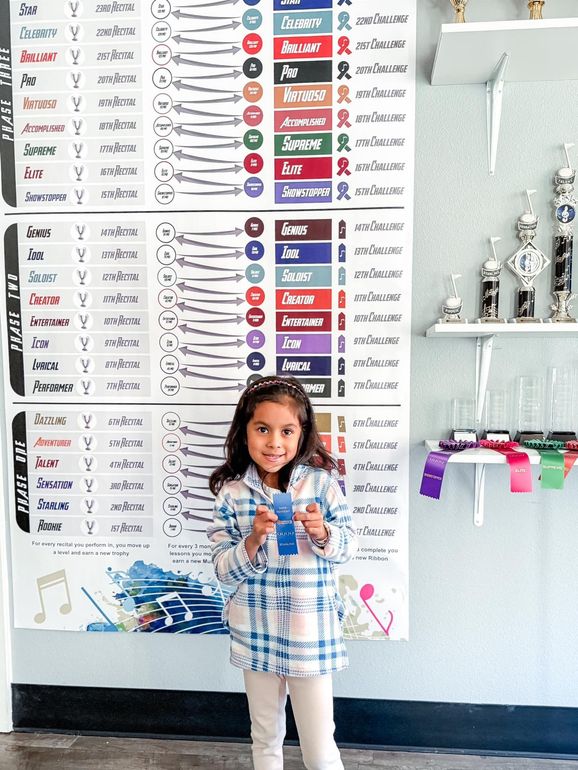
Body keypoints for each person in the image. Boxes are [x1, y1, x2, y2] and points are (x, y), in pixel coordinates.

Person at [208, 375, 358, 770]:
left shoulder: (322, 485)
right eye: (262, 429)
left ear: (302, 433)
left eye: (286, 431)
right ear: (244, 433)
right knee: (265, 739)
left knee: (320, 747)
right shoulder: (232, 494)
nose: (274, 443)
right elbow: (224, 570)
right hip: (256, 632)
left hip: (309, 632)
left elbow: (349, 547)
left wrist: (323, 532)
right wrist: (253, 539)